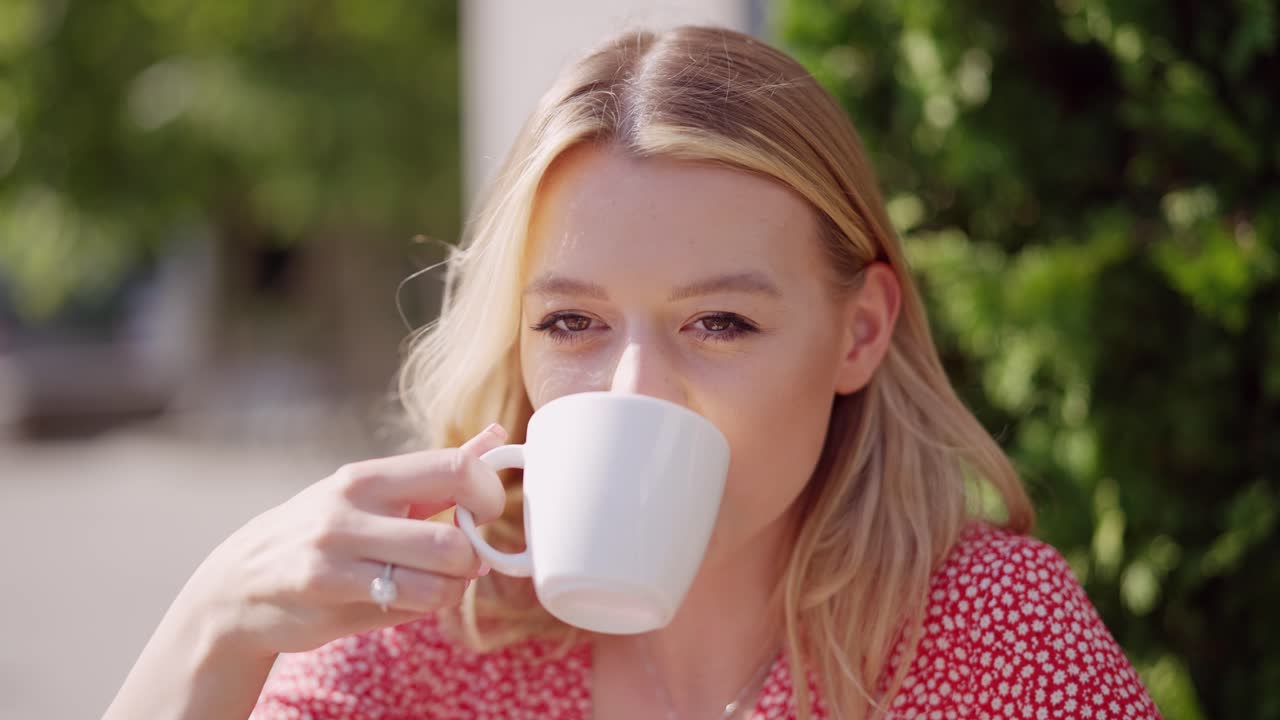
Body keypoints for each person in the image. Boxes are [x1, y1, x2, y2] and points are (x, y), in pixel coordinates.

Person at [105, 25, 1162, 720]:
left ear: (859, 332)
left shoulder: (987, 633)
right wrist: (215, 623)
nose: (634, 389)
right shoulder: (419, 641)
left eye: (720, 323)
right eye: (571, 321)